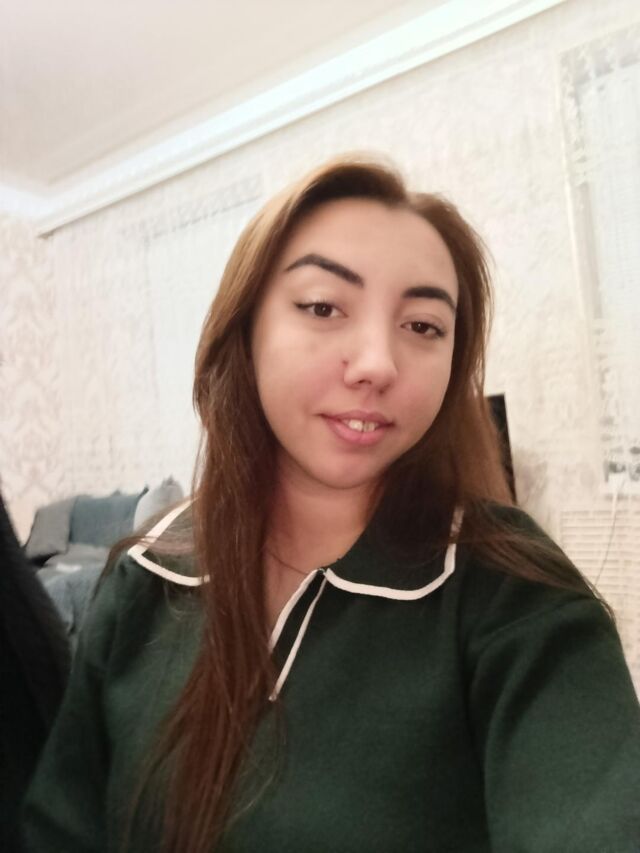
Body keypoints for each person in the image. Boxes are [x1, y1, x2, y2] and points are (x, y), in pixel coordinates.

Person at [22, 157, 640, 853]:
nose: (378, 363)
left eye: (423, 326)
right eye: (323, 307)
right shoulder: (146, 574)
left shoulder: (515, 593)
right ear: (245, 328)